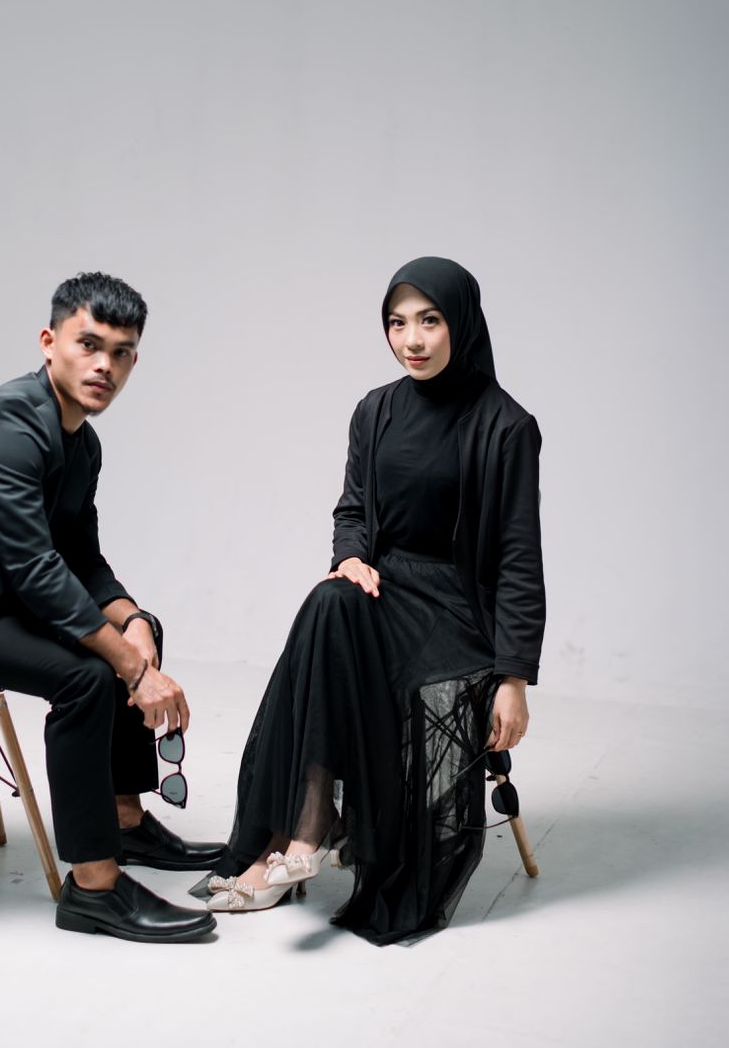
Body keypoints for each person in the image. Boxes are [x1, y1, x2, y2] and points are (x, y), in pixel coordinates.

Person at [0, 271, 223, 944]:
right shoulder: (9, 422)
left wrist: (133, 622)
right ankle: (94, 890)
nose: (104, 365)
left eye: (120, 353)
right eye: (89, 345)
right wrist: (134, 670)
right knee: (88, 676)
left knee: (135, 634)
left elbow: (80, 556)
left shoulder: (81, 441)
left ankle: (124, 822)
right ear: (49, 342)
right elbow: (34, 567)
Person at [200, 256, 545, 945]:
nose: (411, 340)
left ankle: (297, 836)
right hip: (385, 586)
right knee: (329, 602)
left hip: (455, 609)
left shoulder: (506, 426)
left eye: (429, 321)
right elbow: (353, 508)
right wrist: (351, 557)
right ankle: (307, 832)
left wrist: (513, 677)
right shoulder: (376, 410)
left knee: (330, 625)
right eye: (397, 323)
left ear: (462, 324)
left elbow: (518, 556)